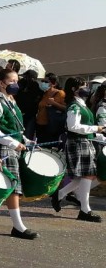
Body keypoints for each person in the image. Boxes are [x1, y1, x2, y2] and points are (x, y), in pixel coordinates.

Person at [0, 68, 38, 239]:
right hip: (4, 149)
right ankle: (18, 226)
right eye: (12, 81)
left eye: (17, 81)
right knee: (13, 187)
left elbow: (16, 129)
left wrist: (26, 141)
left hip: (13, 147)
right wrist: (14, 143)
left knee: (9, 186)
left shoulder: (11, 102)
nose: (16, 84)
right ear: (1, 83)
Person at [51, 77, 104, 222]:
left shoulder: (81, 104)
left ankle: (60, 194)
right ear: (74, 89)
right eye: (83, 85)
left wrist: (97, 132)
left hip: (84, 141)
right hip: (77, 142)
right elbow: (72, 126)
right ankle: (84, 210)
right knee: (87, 175)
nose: (86, 87)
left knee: (85, 176)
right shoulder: (74, 105)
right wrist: (95, 128)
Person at [35, 73, 66, 144]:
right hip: (40, 124)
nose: (43, 83)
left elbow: (65, 108)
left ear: (53, 83)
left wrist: (54, 103)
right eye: (42, 81)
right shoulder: (44, 93)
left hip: (50, 125)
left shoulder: (60, 93)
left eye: (46, 82)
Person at [15, 69, 42, 140]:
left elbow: (34, 100)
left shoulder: (35, 86)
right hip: (19, 112)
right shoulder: (21, 84)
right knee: (18, 133)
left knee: (28, 135)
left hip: (30, 115)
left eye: (27, 77)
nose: (25, 79)